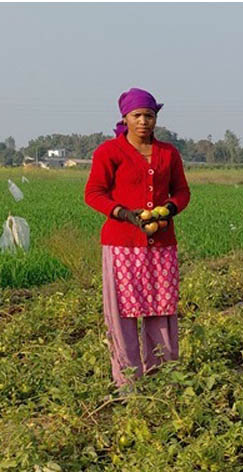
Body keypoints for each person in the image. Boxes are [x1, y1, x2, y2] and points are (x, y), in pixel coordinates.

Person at [84, 87, 191, 390]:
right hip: (122, 243)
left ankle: (163, 378)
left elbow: (182, 191)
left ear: (156, 118)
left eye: (149, 115)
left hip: (161, 242)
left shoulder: (168, 153)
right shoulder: (109, 152)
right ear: (125, 118)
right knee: (122, 314)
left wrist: (169, 209)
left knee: (162, 308)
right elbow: (93, 193)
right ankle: (128, 382)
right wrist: (122, 213)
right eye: (137, 116)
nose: (144, 121)